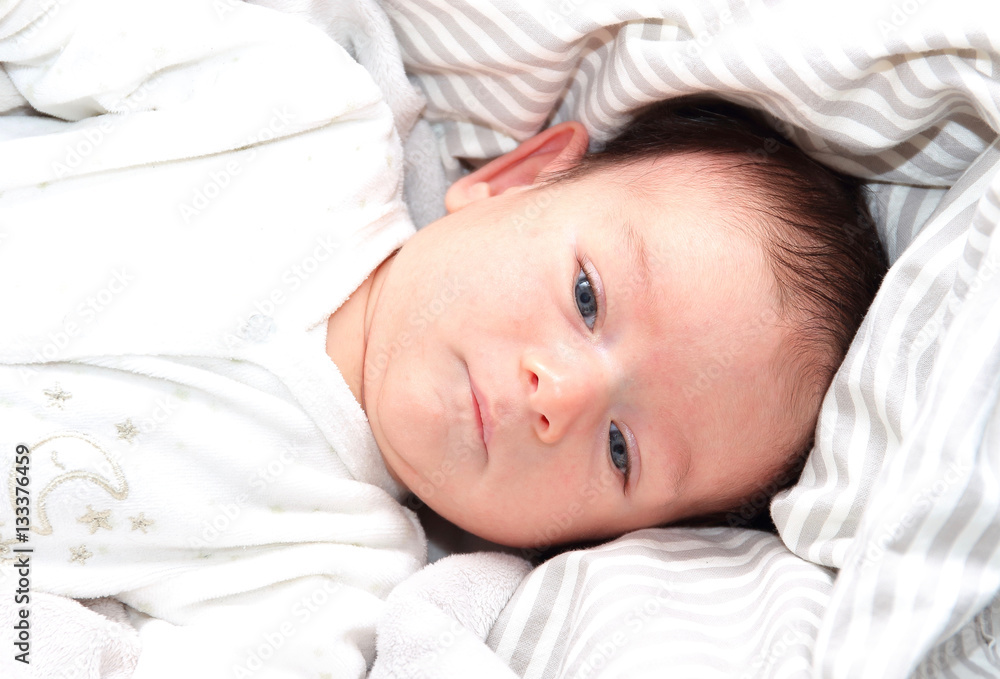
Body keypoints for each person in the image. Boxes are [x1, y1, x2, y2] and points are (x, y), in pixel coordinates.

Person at [0, 0, 885, 675]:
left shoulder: (330, 575)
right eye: (586, 295)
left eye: (622, 450)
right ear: (517, 178)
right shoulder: (300, 117)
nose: (562, 394)